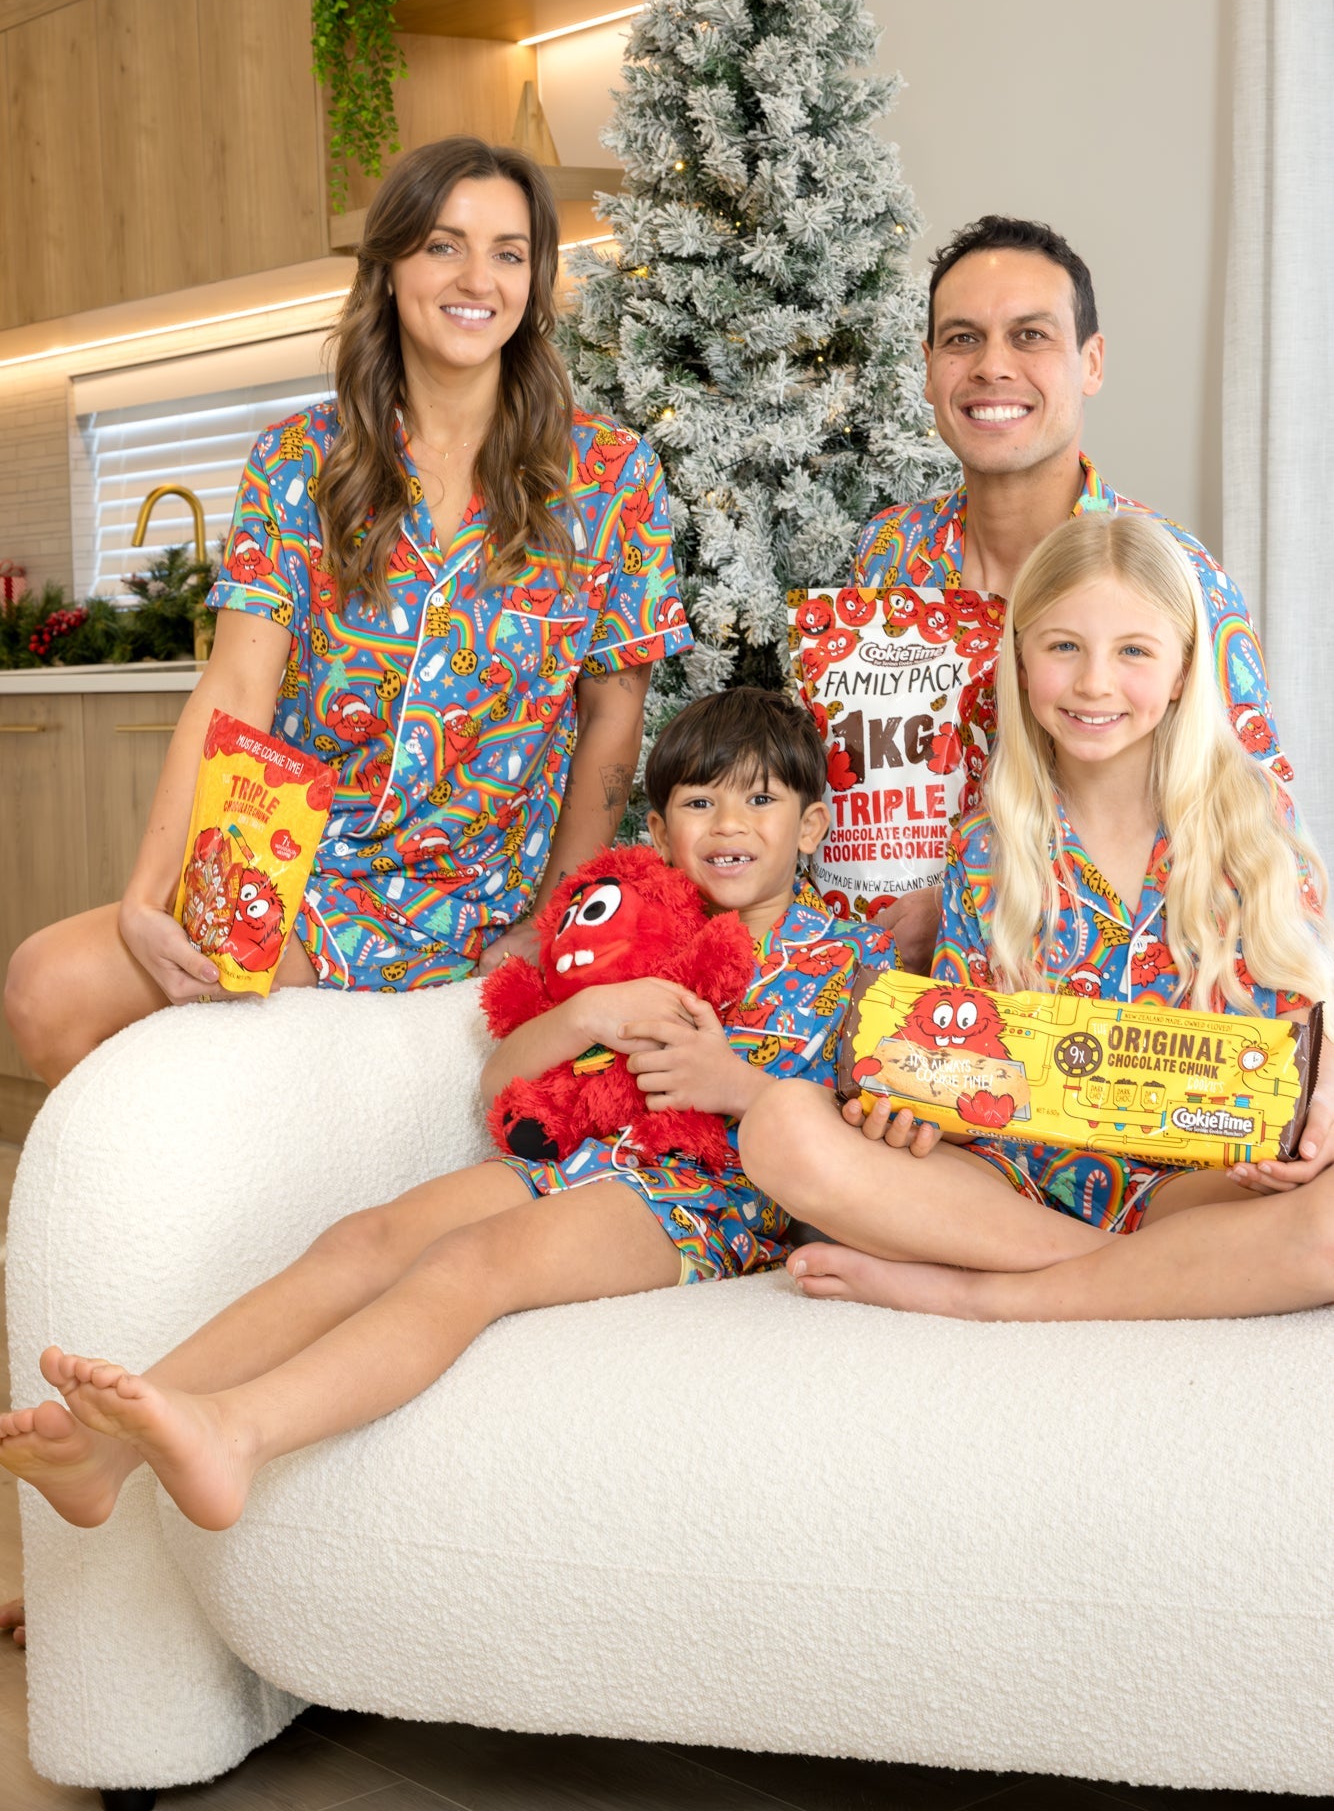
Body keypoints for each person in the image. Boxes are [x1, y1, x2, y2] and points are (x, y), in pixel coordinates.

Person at [0, 688, 897, 1532]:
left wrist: (735, 1083)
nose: (730, 824)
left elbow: (861, 1137)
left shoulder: (855, 962)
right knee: (364, 1238)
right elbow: (501, 1081)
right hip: (572, 1162)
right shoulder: (624, 938)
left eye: (761, 800)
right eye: (701, 803)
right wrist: (588, 1012)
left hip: (704, 1205)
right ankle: (110, 1451)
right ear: (659, 831)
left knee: (470, 1262)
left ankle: (238, 1434)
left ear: (812, 825)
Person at [4, 137, 691, 1086]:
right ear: (391, 265)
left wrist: (551, 920)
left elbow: (613, 719)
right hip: (293, 866)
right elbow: (235, 687)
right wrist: (146, 894)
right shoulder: (298, 461)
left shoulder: (611, 476)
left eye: (508, 253)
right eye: (444, 245)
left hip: (476, 890)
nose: (477, 279)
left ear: (534, 282)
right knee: (41, 987)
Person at [739, 513, 1334, 1319]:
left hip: (1201, 1186)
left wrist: (1322, 1111)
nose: (1094, 683)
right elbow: (958, 1062)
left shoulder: (1253, 823)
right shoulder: (985, 845)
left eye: (1134, 651)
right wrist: (916, 1114)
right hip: (1014, 1188)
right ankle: (1156, 1275)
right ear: (1020, 664)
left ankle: (985, 1296)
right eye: (1064, 647)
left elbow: (1308, 1027)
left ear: (1183, 670)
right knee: (780, 1126)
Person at [856, 215, 1286, 974]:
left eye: (1030, 336)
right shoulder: (886, 554)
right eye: (962, 339)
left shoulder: (1179, 576)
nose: (992, 366)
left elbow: (1255, 829)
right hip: (886, 986)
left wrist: (972, 904)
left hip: (1093, 1003)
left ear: (1091, 362)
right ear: (928, 368)